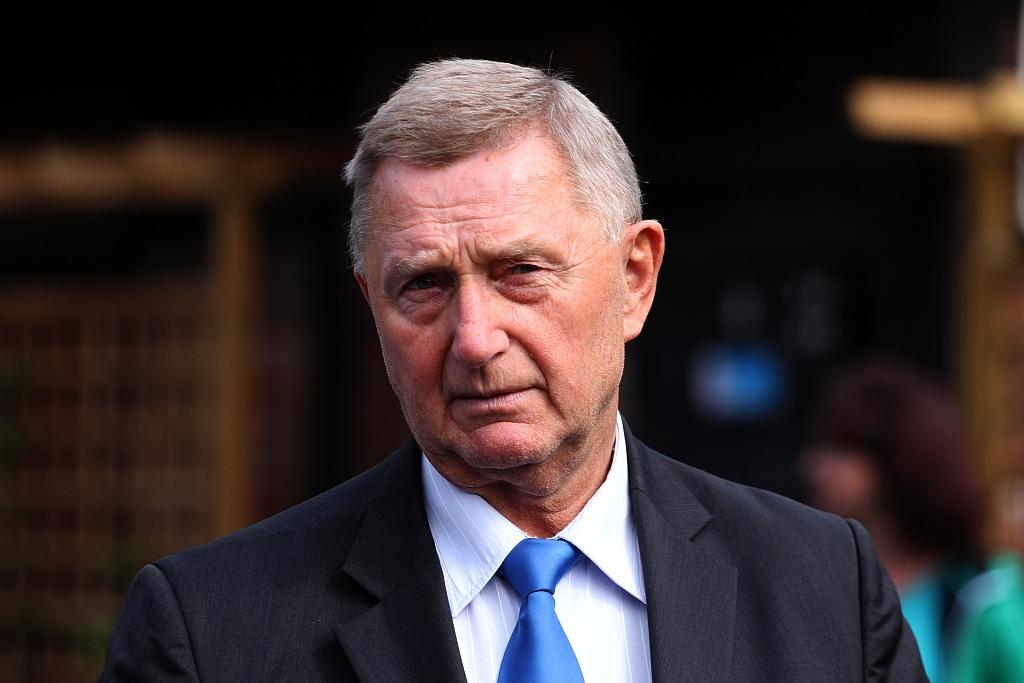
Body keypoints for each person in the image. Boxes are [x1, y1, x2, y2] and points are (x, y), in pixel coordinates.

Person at [100, 59, 926, 682]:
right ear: (371, 304)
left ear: (635, 277)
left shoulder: (825, 589)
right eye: (423, 285)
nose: (474, 338)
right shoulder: (212, 631)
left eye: (520, 272)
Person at [802, 360, 983, 683]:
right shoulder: (810, 577)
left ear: (899, 460)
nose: (815, 468)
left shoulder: (975, 588)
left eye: (841, 450)